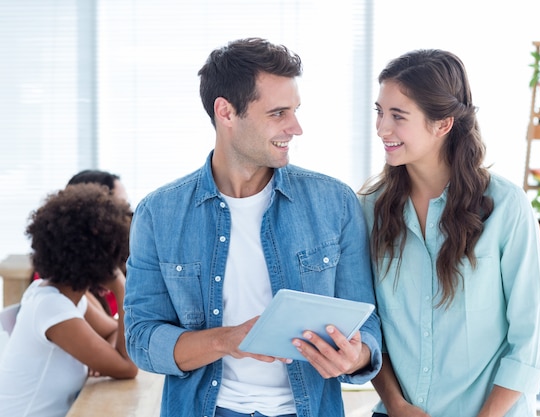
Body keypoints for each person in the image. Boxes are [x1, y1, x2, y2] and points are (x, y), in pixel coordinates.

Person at [123, 37, 382, 417]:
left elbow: (367, 321)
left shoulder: (335, 203)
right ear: (226, 112)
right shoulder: (158, 214)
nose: (295, 127)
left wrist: (355, 357)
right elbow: (142, 340)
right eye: (278, 113)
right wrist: (228, 340)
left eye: (295, 110)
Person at [358, 49, 540, 417]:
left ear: (442, 123)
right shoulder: (370, 209)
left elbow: (530, 341)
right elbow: (370, 327)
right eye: (380, 112)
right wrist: (396, 405)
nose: (383, 128)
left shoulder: (505, 207)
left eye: (398, 116)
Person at [0, 183, 138, 417]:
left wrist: (104, 353)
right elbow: (128, 366)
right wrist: (121, 286)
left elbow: (114, 332)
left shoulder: (60, 295)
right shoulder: (52, 308)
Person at [30, 169, 128, 317]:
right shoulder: (60, 289)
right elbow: (120, 337)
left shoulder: (105, 271)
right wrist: (121, 287)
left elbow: (114, 330)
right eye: (120, 207)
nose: (126, 216)